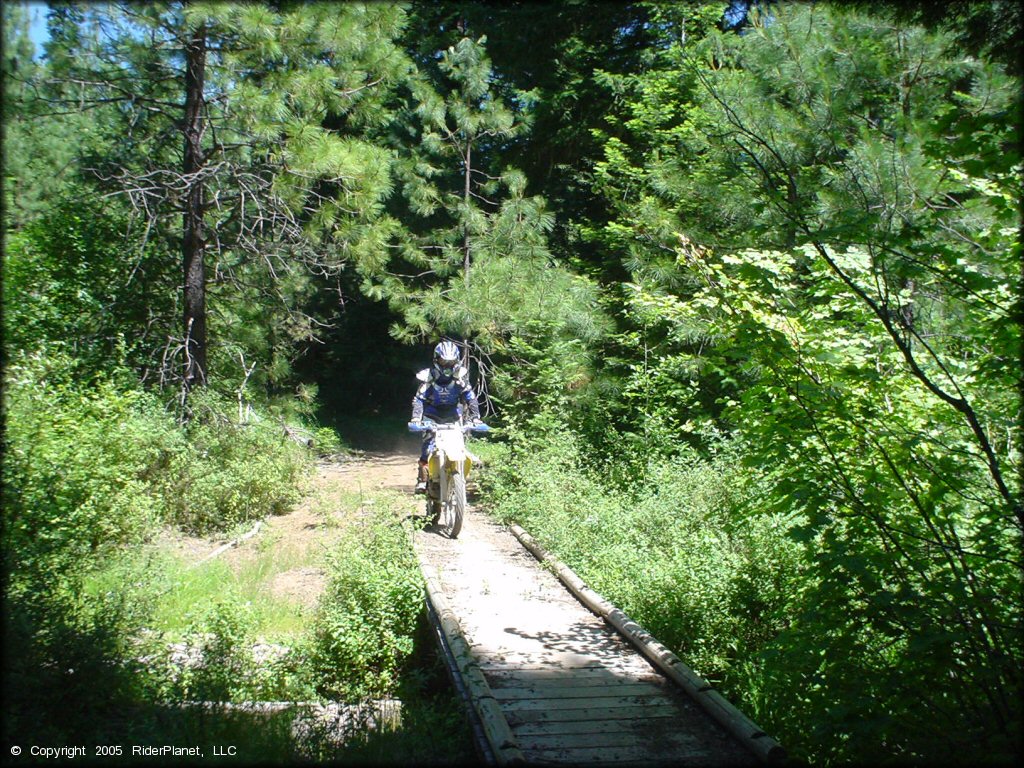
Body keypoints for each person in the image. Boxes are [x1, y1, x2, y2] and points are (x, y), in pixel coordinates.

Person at [410, 341, 481, 493]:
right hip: (432, 415)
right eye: (444, 361)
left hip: (453, 415)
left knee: (459, 443)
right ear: (436, 360)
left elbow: (470, 397)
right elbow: (419, 399)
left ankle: (459, 475)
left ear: (457, 361)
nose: (447, 366)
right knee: (428, 445)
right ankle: (422, 479)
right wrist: (416, 418)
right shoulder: (428, 377)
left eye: (451, 362)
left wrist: (476, 417)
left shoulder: (459, 378)